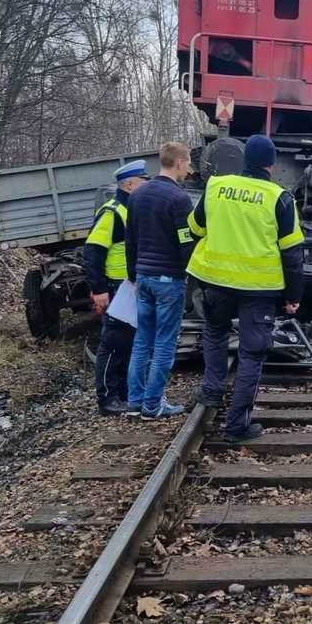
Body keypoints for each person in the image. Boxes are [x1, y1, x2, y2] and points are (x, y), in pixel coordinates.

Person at [188, 134, 304, 442]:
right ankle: (237, 426)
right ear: (271, 164)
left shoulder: (215, 187)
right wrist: (293, 297)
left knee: (215, 333)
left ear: (244, 159)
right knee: (252, 354)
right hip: (259, 289)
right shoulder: (279, 197)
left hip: (216, 281)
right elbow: (292, 254)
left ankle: (212, 391)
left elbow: (195, 228)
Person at [125, 142, 195, 419]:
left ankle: (135, 400)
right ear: (178, 162)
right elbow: (185, 243)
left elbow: (130, 240)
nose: (189, 170)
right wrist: (191, 272)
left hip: (143, 276)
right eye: (188, 164)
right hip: (169, 279)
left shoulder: (138, 195)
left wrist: (134, 275)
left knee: (142, 339)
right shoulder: (179, 199)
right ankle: (153, 405)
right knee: (165, 342)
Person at [84, 160, 148, 414]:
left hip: (129, 287)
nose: (147, 185)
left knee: (127, 343)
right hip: (115, 288)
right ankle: (108, 399)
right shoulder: (113, 212)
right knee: (113, 344)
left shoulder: (131, 209)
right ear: (130, 185)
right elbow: (93, 251)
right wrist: (99, 290)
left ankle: (121, 393)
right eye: (143, 181)